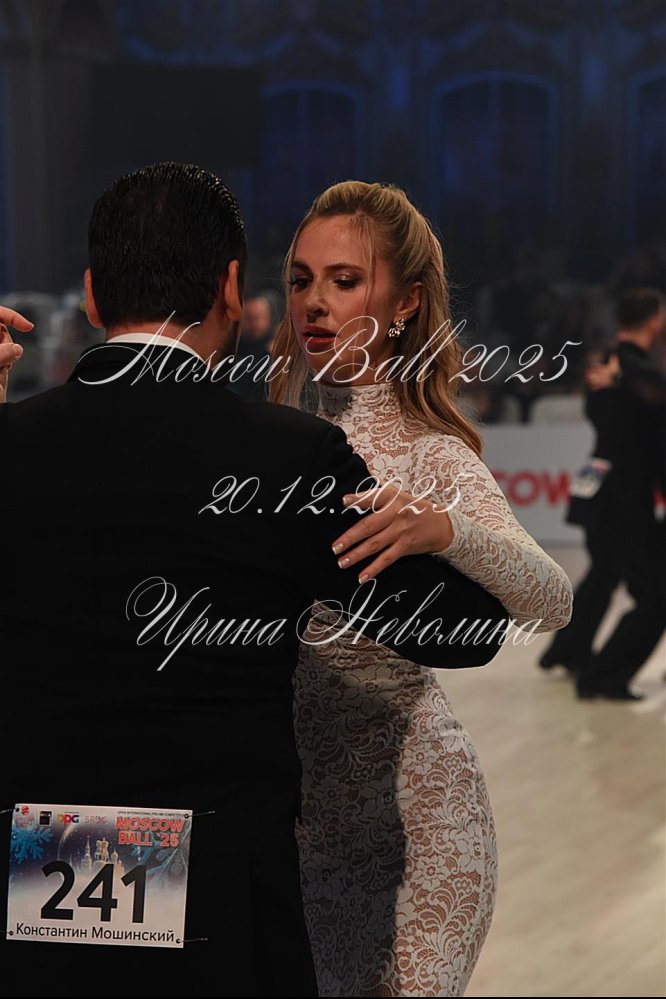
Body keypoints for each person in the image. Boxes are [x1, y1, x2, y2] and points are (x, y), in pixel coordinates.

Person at [0, 164, 511, 998]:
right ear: (232, 290)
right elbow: (464, 629)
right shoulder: (284, 456)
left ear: (92, 295)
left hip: (34, 882)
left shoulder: (13, 444)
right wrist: (445, 528)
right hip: (223, 897)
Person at [268, 180, 573, 997]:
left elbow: (553, 600)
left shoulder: (431, 457)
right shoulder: (267, 444)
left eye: (344, 280)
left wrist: (446, 529)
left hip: (424, 830)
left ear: (404, 303)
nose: (315, 303)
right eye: (301, 280)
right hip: (293, 840)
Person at [540, 287, 666, 699]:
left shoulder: (609, 363)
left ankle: (568, 651)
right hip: (623, 493)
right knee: (651, 593)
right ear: (654, 319)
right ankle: (603, 674)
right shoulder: (632, 369)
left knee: (606, 570)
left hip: (602, 486)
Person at [227, 294, 274, 402]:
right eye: (248, 319)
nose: (253, 324)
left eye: (257, 318)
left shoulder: (274, 352)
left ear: (268, 319)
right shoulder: (233, 351)